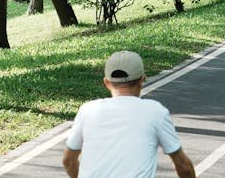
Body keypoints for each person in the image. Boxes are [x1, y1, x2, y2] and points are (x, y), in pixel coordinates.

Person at [63, 51, 196, 178]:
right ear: (142, 80)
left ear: (106, 82)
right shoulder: (155, 112)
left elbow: (68, 161)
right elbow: (184, 166)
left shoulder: (87, 110)